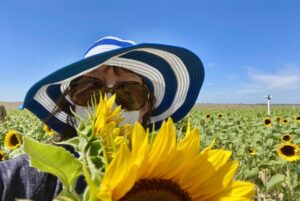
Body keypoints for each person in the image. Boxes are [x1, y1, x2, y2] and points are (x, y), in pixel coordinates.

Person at [0, 36, 205, 200]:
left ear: (145, 108)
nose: (108, 103)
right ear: (73, 103)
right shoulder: (43, 172)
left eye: (128, 92)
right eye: (89, 89)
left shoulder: (168, 171)